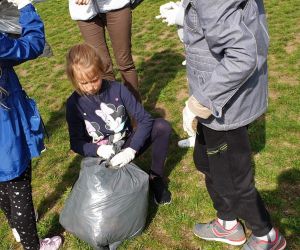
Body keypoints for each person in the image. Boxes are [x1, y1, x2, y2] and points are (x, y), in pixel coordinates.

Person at [160, 0, 286, 249]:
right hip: (217, 100)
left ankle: (266, 236)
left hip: (223, 104)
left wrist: (198, 103)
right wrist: (186, 15)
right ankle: (228, 224)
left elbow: (241, 56)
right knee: (206, 162)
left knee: (233, 180)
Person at [65, 43, 172, 205]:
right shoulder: (74, 104)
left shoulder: (117, 89)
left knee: (162, 127)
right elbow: (76, 143)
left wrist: (131, 149)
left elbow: (145, 119)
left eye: (94, 80)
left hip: (125, 145)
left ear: (101, 71)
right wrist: (98, 150)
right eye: (83, 83)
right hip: (101, 156)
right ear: (74, 80)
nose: (91, 87)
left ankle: (156, 178)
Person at [0, 0, 62, 249]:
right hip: (4, 126)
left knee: (2, 181)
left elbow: (8, 54)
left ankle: (16, 226)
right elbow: (32, 46)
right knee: (18, 182)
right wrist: (25, 8)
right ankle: (33, 245)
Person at [68, 0, 141, 102]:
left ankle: (136, 114)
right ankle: (116, 112)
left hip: (116, 5)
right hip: (84, 11)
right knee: (101, 67)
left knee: (125, 63)